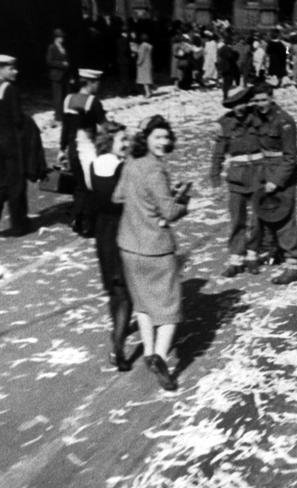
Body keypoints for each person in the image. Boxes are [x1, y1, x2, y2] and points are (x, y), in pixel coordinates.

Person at [113, 115, 190, 391]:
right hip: (155, 249)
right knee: (170, 309)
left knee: (143, 303)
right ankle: (159, 356)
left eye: (166, 137)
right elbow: (169, 212)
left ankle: (147, 352)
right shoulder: (157, 170)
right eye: (158, 137)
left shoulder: (132, 163)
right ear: (146, 138)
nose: (164, 142)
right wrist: (182, 202)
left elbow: (119, 197)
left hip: (128, 245)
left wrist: (149, 202)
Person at [89, 121, 133, 371]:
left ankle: (117, 333)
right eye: (122, 140)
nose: (126, 144)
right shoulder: (122, 167)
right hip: (123, 230)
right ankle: (118, 347)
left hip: (103, 231)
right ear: (110, 142)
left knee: (114, 290)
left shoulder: (95, 165)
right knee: (127, 294)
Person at [250, 83, 297, 284]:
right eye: (256, 100)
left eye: (263, 100)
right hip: (262, 169)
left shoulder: (284, 121)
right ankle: (277, 250)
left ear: (272, 98)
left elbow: (291, 157)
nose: (260, 104)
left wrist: (276, 181)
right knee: (264, 213)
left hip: (282, 172)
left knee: (284, 216)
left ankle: (293, 263)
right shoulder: (255, 116)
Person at [210, 87, 263, 277]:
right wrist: (215, 181)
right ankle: (236, 258)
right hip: (236, 178)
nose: (239, 107)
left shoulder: (259, 119)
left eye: (242, 103)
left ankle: (253, 255)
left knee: (258, 219)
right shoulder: (224, 124)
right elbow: (218, 155)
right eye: (234, 105)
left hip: (259, 174)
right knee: (237, 219)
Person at [59, 68, 107, 237]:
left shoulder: (68, 99)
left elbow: (65, 127)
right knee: (92, 185)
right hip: (88, 149)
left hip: (72, 149)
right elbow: (104, 128)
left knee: (80, 185)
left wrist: (61, 149)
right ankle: (88, 224)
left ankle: (76, 219)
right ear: (90, 83)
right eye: (97, 82)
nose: (98, 85)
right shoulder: (93, 102)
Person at [0, 54, 28, 237]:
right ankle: (18, 225)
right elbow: (17, 119)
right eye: (11, 68)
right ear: (1, 68)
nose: (16, 71)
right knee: (15, 182)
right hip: (10, 143)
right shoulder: (10, 90)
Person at [46, 29, 71, 122]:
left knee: (65, 95)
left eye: (62, 37)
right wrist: (61, 64)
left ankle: (64, 114)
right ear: (56, 38)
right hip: (56, 75)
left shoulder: (63, 48)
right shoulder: (51, 47)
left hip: (65, 75)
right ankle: (58, 116)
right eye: (60, 37)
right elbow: (49, 61)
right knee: (58, 97)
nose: (62, 39)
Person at [136, 34, 153, 98]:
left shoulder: (142, 46)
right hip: (149, 63)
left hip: (143, 65)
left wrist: (138, 62)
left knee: (145, 80)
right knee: (148, 79)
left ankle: (147, 93)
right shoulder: (150, 46)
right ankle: (150, 91)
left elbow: (141, 56)